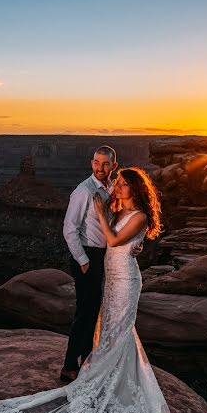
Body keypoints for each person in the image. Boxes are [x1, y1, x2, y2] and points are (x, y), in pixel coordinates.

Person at [0, 168, 200, 413]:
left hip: (127, 279)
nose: (120, 185)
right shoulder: (120, 208)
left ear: (137, 188)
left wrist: (100, 211)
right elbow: (102, 236)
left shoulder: (139, 215)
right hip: (111, 277)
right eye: (120, 182)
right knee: (108, 329)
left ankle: (113, 384)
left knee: (119, 331)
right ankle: (107, 380)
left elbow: (115, 242)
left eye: (126, 183)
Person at [59, 145, 117, 384]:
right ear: (91, 163)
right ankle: (69, 367)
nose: (99, 168)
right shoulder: (84, 191)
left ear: (113, 166)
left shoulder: (112, 189)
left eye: (105, 164)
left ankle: (86, 360)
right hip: (88, 257)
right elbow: (69, 229)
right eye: (96, 162)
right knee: (85, 313)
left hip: (104, 257)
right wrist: (83, 261)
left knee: (93, 311)